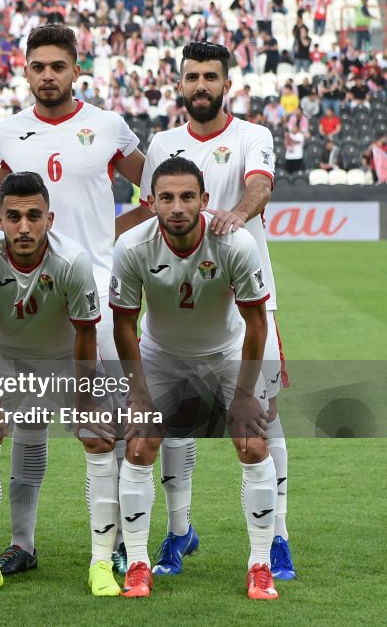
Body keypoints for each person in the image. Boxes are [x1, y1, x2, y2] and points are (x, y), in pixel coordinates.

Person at [123, 41, 294, 581]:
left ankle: (279, 537)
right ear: (179, 84)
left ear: (227, 84)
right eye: (192, 76)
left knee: (263, 420)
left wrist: (233, 218)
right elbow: (151, 207)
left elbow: (259, 187)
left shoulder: (253, 135)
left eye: (210, 77)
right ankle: (178, 533)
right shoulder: (164, 143)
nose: (201, 85)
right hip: (175, 298)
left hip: (244, 295)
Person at [0, 23, 146, 576]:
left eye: (58, 66)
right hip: (30, 303)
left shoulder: (107, 126)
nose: (48, 75)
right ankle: (23, 545)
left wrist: (110, 232)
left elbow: (154, 192)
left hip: (98, 301)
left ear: (76, 69)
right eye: (38, 66)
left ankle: (125, 543)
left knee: (110, 428)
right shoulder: (5, 132)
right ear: (25, 70)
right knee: (29, 428)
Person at [110, 157, 278, 600]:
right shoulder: (131, 246)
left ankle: (260, 564)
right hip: (161, 355)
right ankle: (139, 564)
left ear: (204, 201)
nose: (177, 206)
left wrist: (243, 395)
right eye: (166, 198)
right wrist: (139, 395)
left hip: (225, 354)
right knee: (140, 444)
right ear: (150, 203)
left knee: (253, 442)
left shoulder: (235, 243)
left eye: (188, 197)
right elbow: (123, 325)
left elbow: (257, 323)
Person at [0, 172, 111, 596]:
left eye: (33, 216)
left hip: (64, 358)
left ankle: (102, 561)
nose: (24, 227)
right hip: (5, 358)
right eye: (13, 217)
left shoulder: (73, 261)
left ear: (50, 218)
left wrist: (84, 403)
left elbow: (86, 334)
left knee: (98, 438)